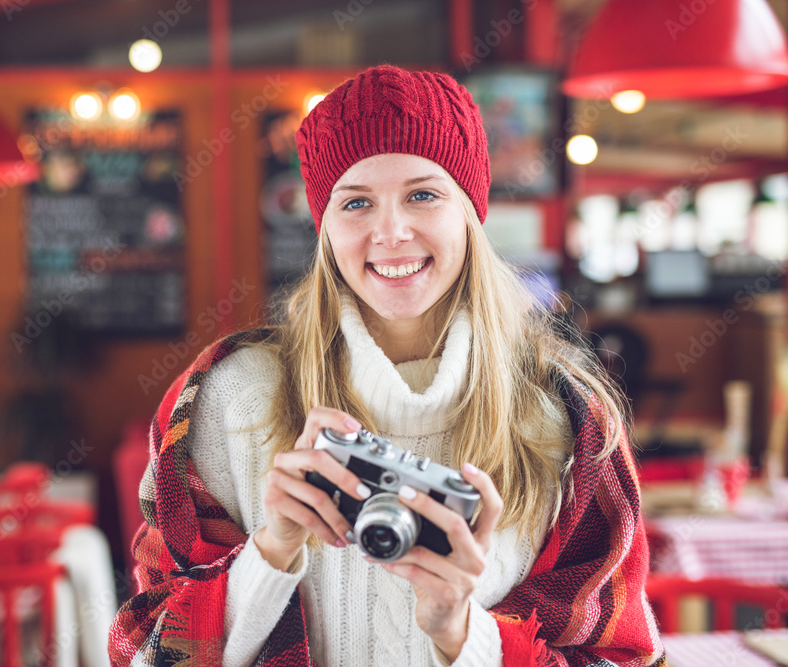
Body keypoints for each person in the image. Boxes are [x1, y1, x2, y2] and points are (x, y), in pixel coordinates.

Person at [108, 65, 665, 667]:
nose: (391, 231)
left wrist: (462, 633)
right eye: (356, 203)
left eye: (423, 194)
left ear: (469, 212)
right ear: (325, 230)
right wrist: (269, 554)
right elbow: (149, 657)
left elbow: (620, 657)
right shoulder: (225, 395)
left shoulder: (567, 417)